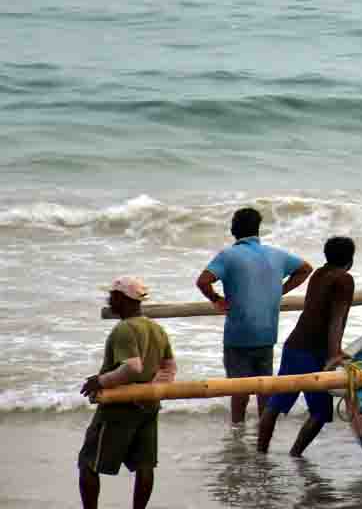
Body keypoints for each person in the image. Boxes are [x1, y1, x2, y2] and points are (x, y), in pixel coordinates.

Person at [196, 207, 313, 423]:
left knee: (238, 389)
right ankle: (263, 433)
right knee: (264, 388)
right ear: (257, 229)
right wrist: (280, 290)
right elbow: (306, 268)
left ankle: (237, 433)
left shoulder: (228, 255)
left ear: (234, 229)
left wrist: (216, 299)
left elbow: (203, 281)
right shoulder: (277, 254)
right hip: (267, 333)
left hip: (239, 334)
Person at [78, 277, 177, 509]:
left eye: (112, 295)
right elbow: (170, 367)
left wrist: (100, 381)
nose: (108, 299)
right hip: (149, 406)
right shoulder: (156, 328)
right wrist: (152, 390)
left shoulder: (124, 328)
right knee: (144, 465)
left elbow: (132, 367)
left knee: (89, 463)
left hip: (118, 408)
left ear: (123, 299)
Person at [257, 236, 357, 456]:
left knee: (275, 403)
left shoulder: (319, 274)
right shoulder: (344, 280)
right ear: (350, 259)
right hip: (315, 352)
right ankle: (295, 454)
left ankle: (260, 454)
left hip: (294, 346)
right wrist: (335, 354)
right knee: (320, 412)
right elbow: (336, 318)